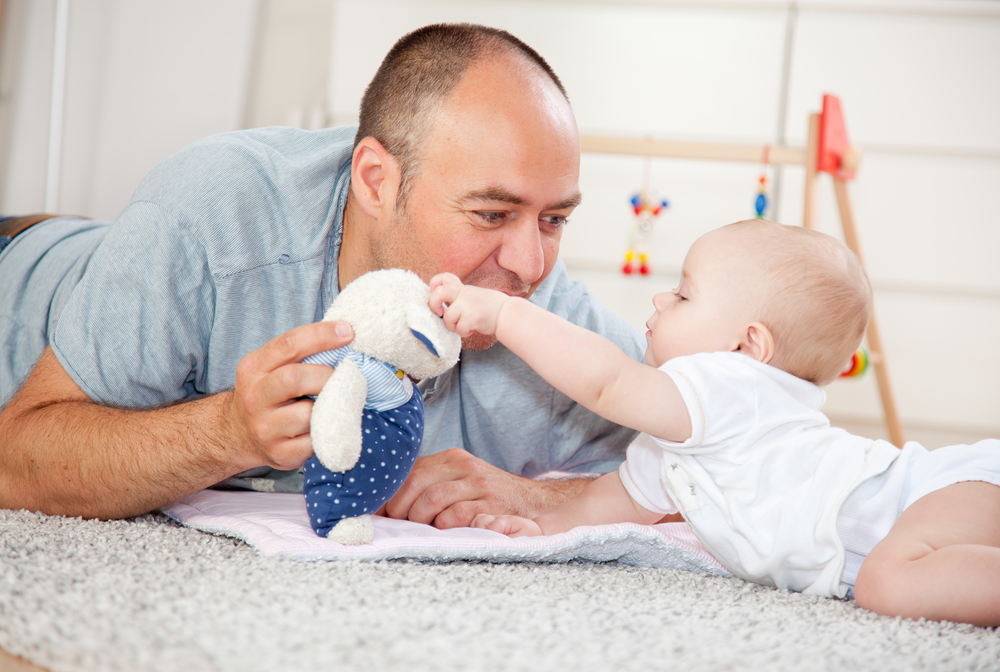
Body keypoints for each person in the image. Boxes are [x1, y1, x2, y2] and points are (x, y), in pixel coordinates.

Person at [0, 23, 645, 524]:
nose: (529, 264)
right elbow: (14, 461)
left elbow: (726, 435)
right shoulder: (211, 209)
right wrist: (225, 431)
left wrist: (549, 498)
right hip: (22, 272)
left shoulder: (548, 320)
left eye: (554, 219)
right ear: (376, 181)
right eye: (491, 213)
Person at [429, 219, 1000, 627]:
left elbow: (608, 382)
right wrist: (545, 533)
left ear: (746, 345)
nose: (659, 297)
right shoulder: (677, 445)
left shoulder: (730, 386)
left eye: (682, 294)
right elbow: (611, 505)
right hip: (945, 504)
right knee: (890, 579)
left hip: (935, 491)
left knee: (889, 583)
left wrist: (507, 314)